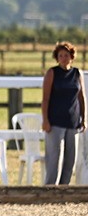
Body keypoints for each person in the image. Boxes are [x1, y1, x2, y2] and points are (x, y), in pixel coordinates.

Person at [40, 41, 86, 185]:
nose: (63, 58)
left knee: (70, 161)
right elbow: (45, 98)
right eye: (60, 55)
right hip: (55, 122)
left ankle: (64, 191)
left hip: (73, 122)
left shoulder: (77, 73)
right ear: (57, 57)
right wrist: (45, 120)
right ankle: (50, 190)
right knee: (54, 160)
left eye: (66, 55)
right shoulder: (52, 73)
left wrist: (84, 119)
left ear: (71, 57)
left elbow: (81, 97)